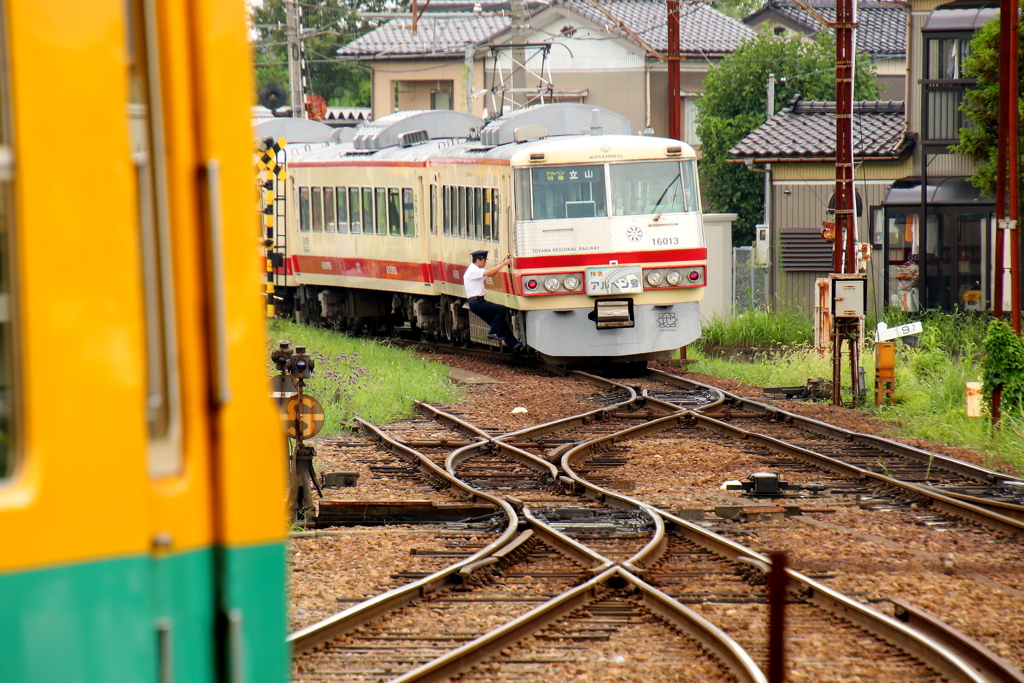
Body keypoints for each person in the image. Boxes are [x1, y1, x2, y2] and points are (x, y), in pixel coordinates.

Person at [463, 250, 523, 352]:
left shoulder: (476, 270)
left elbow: (491, 273)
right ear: (478, 259)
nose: (485, 262)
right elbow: (490, 272)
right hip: (477, 302)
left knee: (500, 324)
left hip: (477, 302)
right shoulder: (473, 270)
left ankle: (514, 345)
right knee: (501, 309)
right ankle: (493, 333)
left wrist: (501, 263)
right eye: (484, 260)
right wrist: (504, 264)